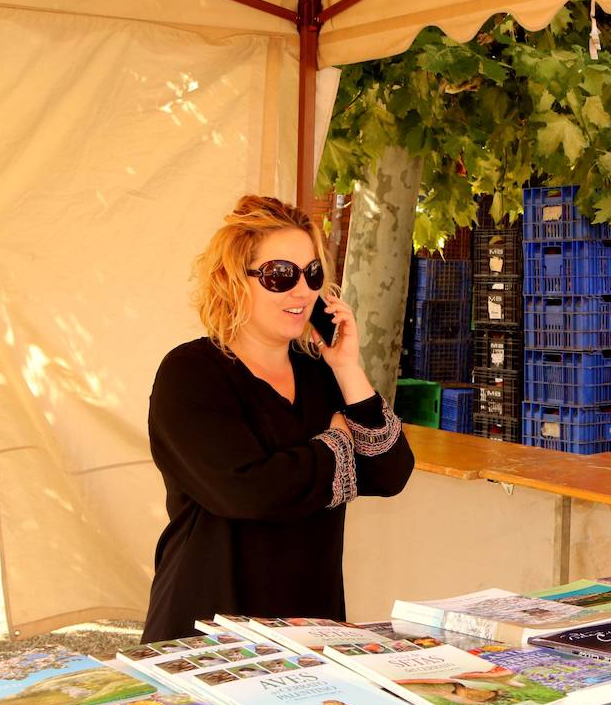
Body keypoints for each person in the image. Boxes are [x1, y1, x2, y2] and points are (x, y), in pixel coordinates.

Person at [141, 195, 414, 642]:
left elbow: (390, 471)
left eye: (312, 274)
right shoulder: (191, 373)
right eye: (280, 275)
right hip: (208, 626)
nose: (302, 290)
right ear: (234, 280)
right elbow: (247, 492)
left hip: (311, 626)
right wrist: (338, 446)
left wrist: (347, 367)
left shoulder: (320, 375)